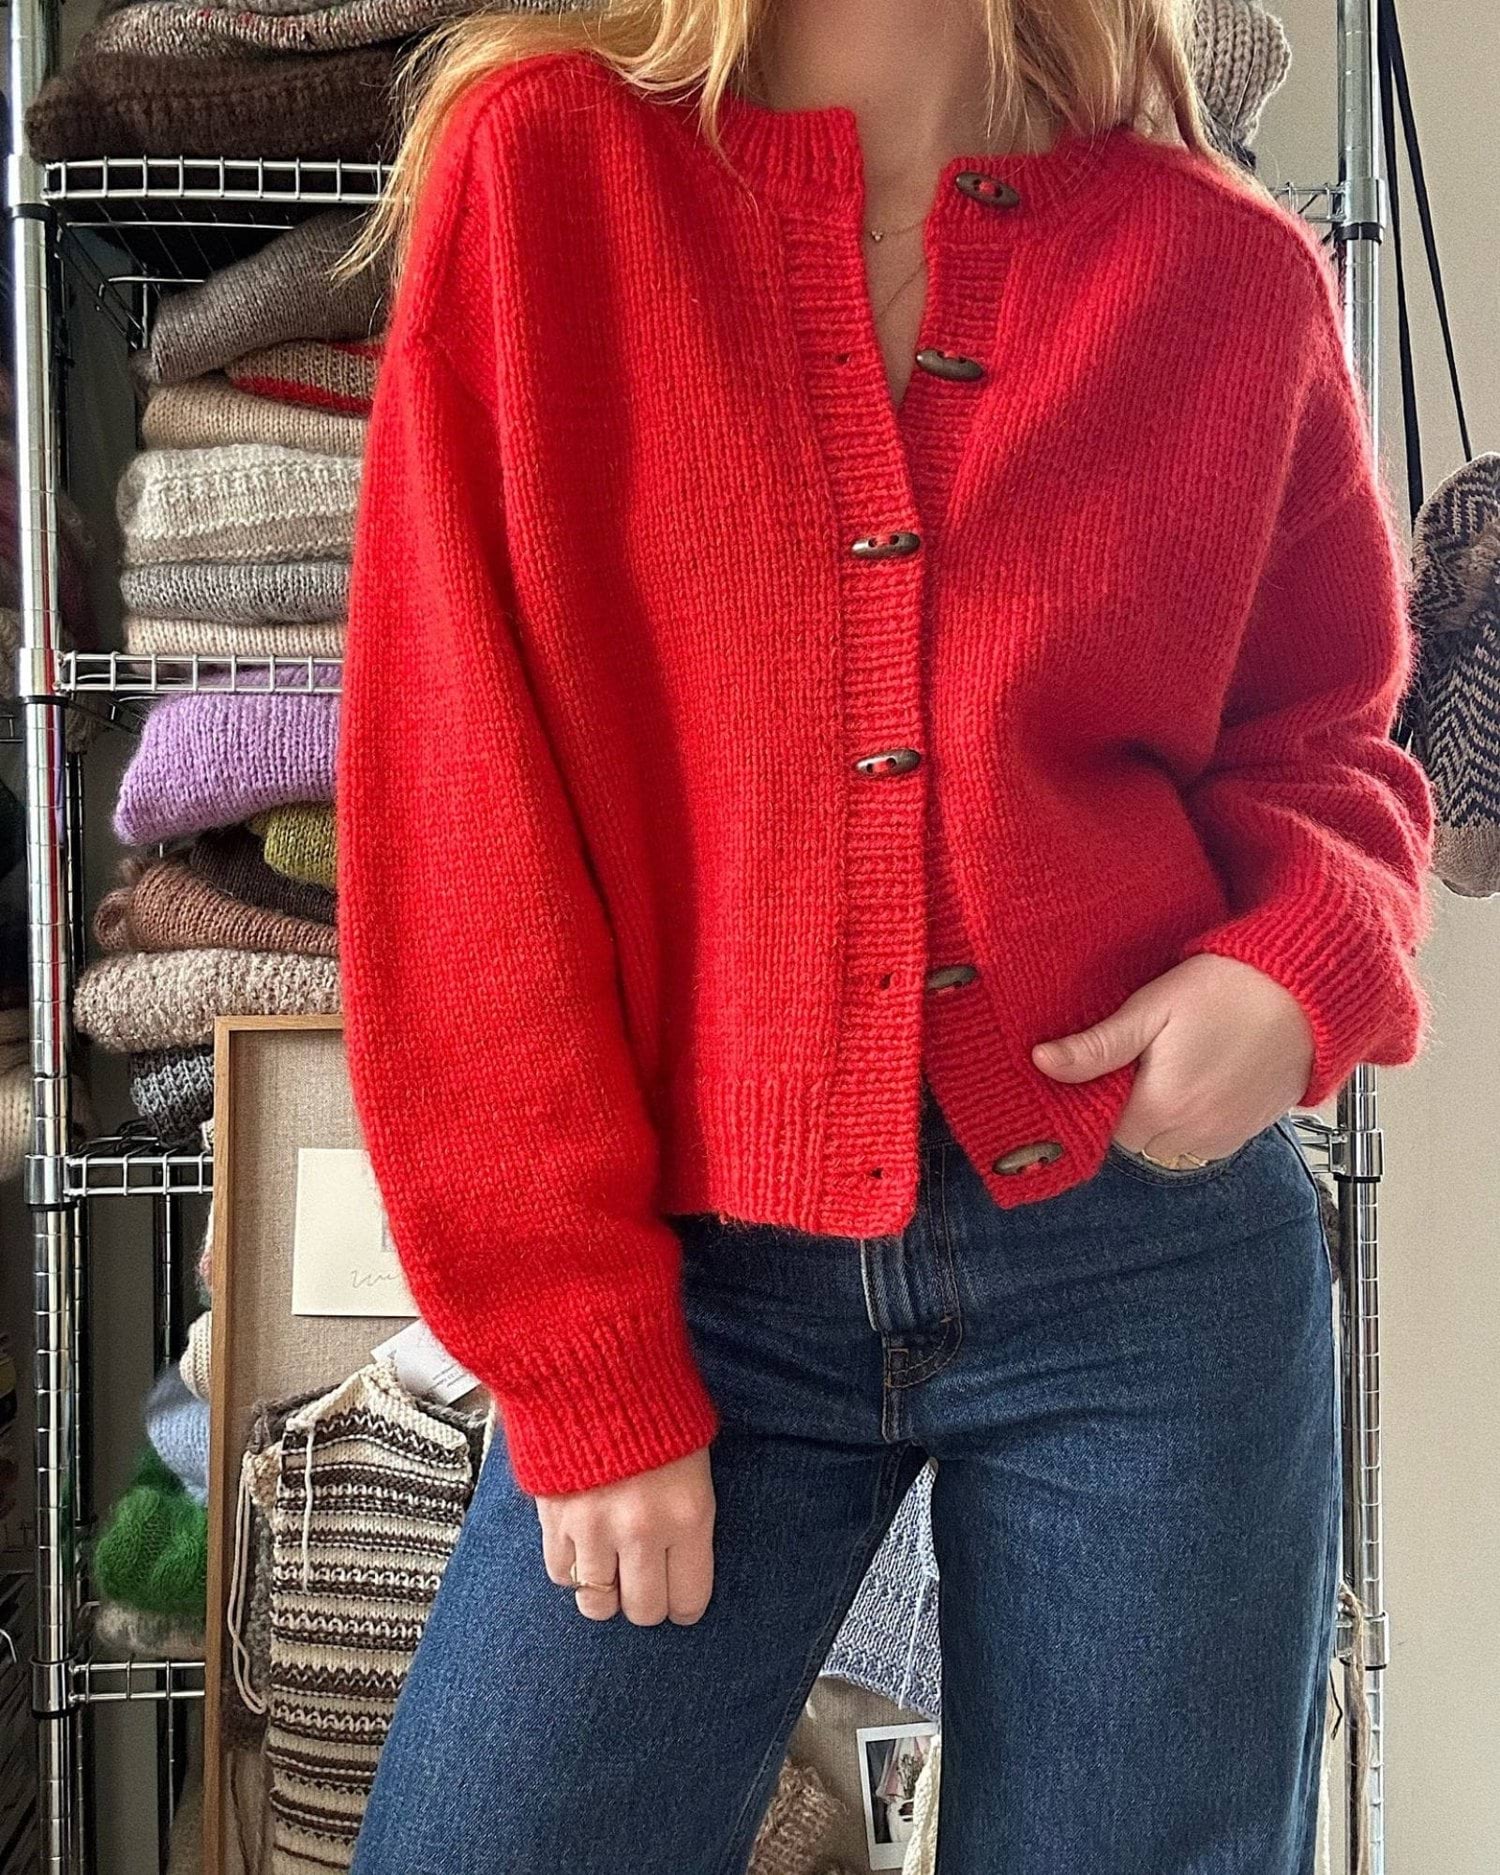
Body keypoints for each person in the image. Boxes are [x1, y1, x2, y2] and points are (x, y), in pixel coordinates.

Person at [334, 2, 1434, 1869]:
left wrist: (1296, 958)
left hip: (1146, 1260)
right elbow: (455, 797)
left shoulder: (1225, 271)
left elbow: (1330, 740)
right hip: (700, 1279)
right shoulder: (551, 173)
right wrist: (578, 1350)